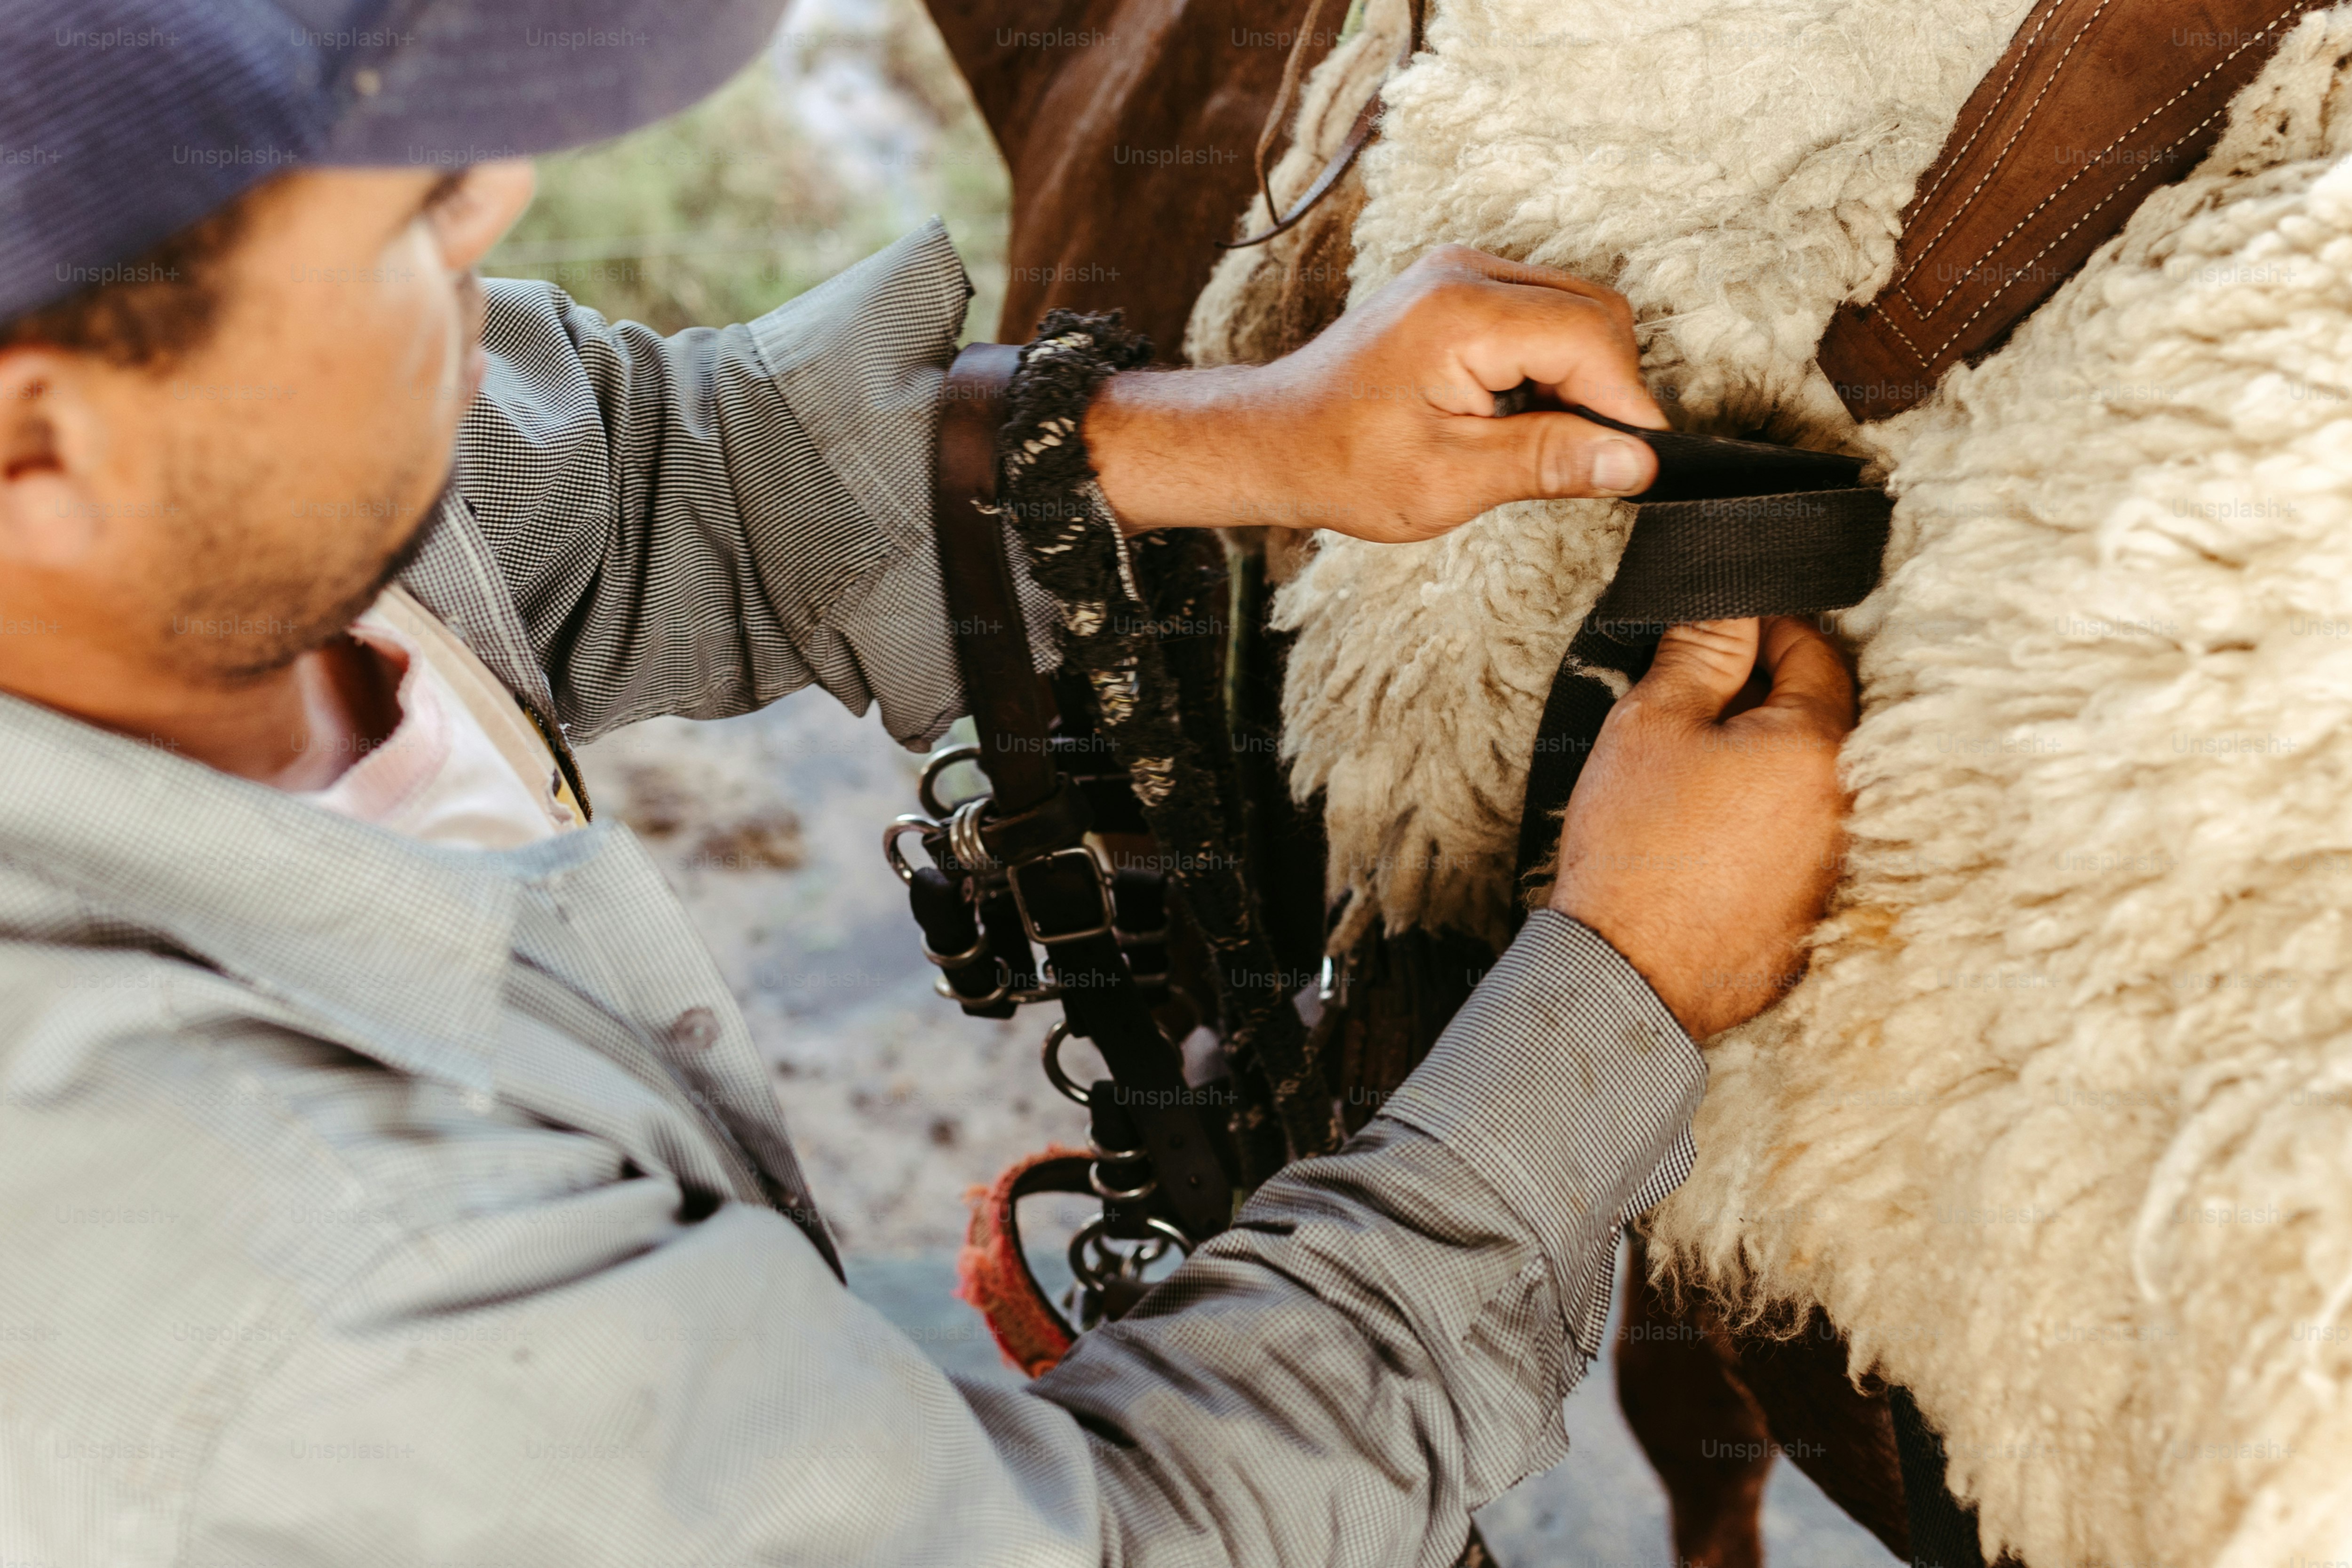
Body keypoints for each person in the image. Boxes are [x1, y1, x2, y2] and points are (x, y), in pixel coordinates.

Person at [0, 3, 1854, 1564]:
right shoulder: (290, 1274)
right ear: (38, 435)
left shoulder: (177, 524)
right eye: (405, 216)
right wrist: (1622, 984)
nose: (505, 200)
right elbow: (1116, 1533)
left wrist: (1228, 436)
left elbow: (612, 485)